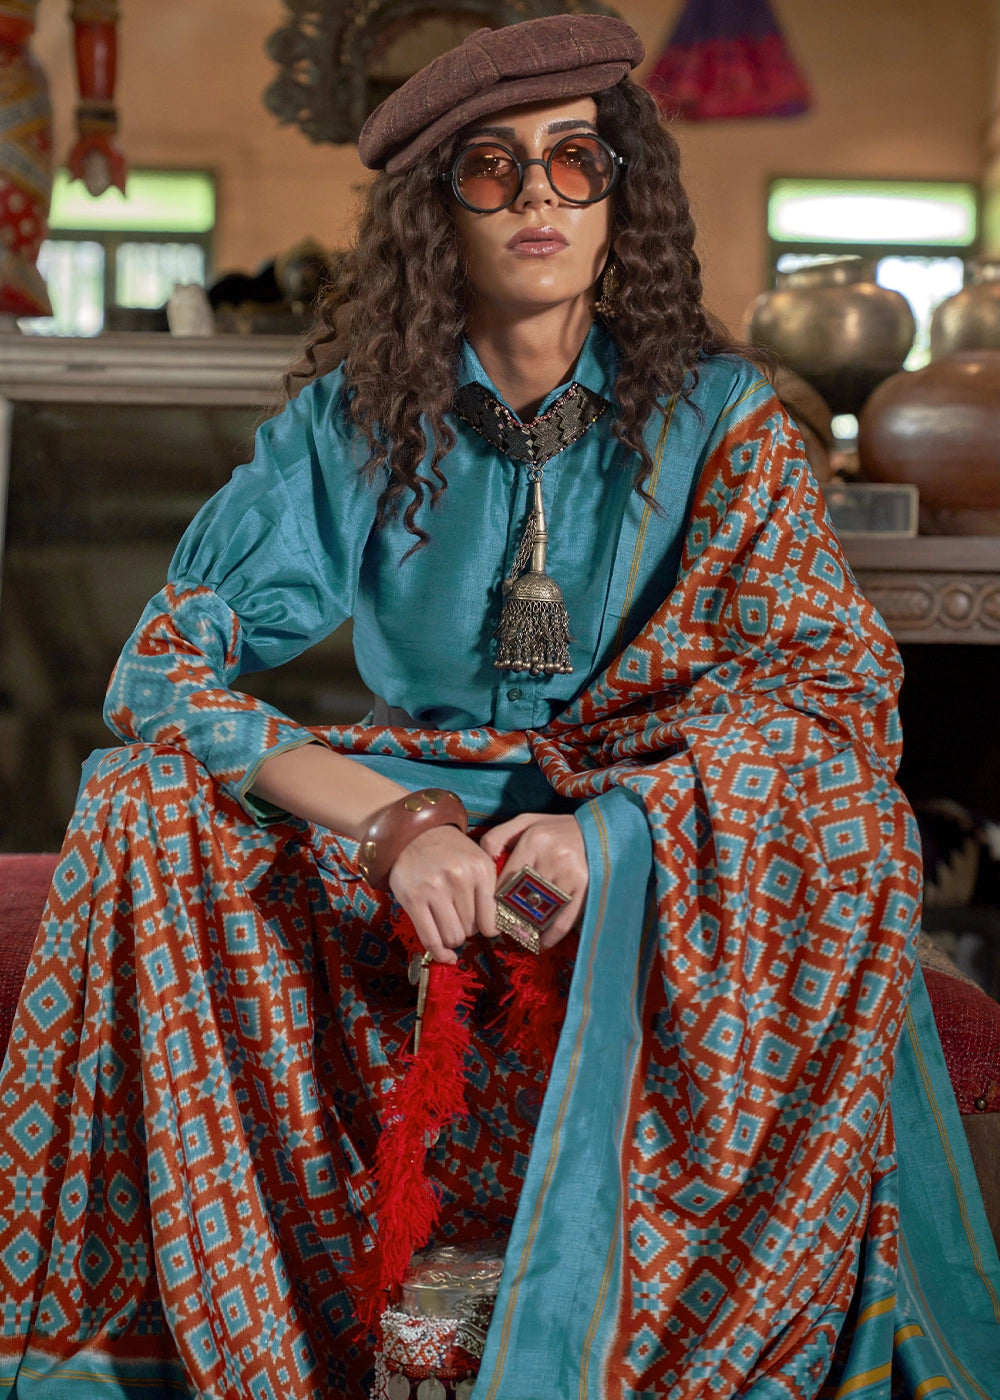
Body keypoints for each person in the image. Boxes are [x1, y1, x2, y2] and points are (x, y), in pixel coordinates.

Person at [1, 15, 997, 1400]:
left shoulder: (722, 420)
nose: (539, 197)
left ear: (621, 195)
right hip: (409, 836)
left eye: (575, 160)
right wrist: (396, 826)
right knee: (140, 799)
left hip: (640, 836)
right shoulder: (356, 421)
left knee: (844, 812)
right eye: (491, 167)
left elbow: (826, 696)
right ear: (436, 213)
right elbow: (156, 673)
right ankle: (246, 1322)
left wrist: (615, 835)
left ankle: (636, 1324)